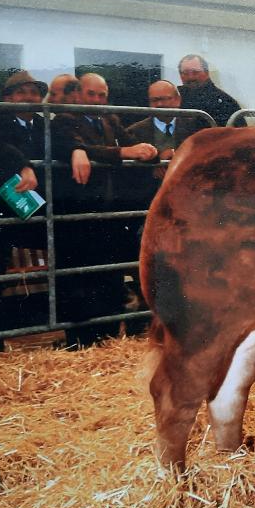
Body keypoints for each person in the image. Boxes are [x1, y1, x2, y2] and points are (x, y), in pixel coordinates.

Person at [51, 72, 158, 347]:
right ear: (77, 95)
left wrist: (148, 150)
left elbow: (126, 143)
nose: (98, 100)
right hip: (78, 213)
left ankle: (107, 336)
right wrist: (118, 152)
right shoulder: (64, 120)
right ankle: (79, 341)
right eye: (91, 94)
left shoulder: (109, 119)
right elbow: (71, 144)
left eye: (102, 95)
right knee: (79, 278)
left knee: (109, 275)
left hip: (107, 211)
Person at [0, 70, 49, 349]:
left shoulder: (44, 124)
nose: (29, 97)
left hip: (35, 211)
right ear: (7, 98)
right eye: (22, 92)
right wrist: (23, 165)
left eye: (34, 92)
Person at [126, 80, 207, 200]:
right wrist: (152, 171)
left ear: (178, 100)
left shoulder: (197, 128)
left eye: (165, 99)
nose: (159, 104)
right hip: (147, 202)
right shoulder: (134, 132)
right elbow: (128, 176)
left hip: (190, 199)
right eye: (154, 100)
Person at [177, 54, 242, 127]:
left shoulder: (226, 103)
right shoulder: (173, 98)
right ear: (180, 75)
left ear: (206, 73)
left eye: (195, 72)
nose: (191, 77)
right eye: (185, 73)